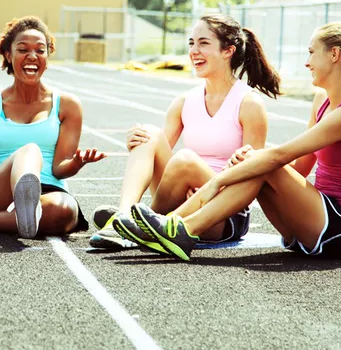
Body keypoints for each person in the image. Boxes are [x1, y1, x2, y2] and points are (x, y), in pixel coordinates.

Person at [132, 22, 341, 261]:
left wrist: (219, 181)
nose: (307, 62)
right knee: (258, 163)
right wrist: (246, 165)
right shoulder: (322, 101)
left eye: (311, 52)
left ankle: (181, 229)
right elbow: (300, 169)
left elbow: (280, 157)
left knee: (265, 161)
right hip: (316, 220)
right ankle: (169, 226)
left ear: (334, 54)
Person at [91, 14, 281, 251]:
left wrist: (206, 189)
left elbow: (253, 177)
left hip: (224, 211)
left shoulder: (249, 104)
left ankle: (140, 225)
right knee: (148, 133)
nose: (194, 51)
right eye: (191, 43)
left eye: (203, 43)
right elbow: (158, 155)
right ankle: (123, 217)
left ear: (227, 51)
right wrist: (136, 143)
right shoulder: (184, 101)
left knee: (185, 159)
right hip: (182, 197)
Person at [0, 16, 105, 238]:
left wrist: (77, 163)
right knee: (30, 150)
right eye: (23, 49)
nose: (32, 56)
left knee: (63, 212)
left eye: (40, 51)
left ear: (47, 57)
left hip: (49, 188)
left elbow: (60, 169)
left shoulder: (68, 105)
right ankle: (21, 206)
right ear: (8, 54)